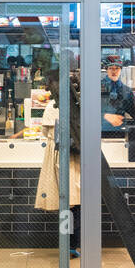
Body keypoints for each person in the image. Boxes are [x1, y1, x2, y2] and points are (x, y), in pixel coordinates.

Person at [35, 70, 82, 258]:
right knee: (76, 205)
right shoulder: (80, 107)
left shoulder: (52, 107)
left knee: (66, 205)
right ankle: (72, 244)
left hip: (60, 160)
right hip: (77, 161)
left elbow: (47, 135)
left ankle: (67, 244)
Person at [101, 55, 135, 138]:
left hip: (119, 134)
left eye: (117, 68)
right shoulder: (96, 89)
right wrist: (105, 116)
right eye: (111, 68)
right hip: (98, 134)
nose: (114, 71)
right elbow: (88, 112)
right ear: (106, 70)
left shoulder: (126, 91)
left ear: (121, 70)